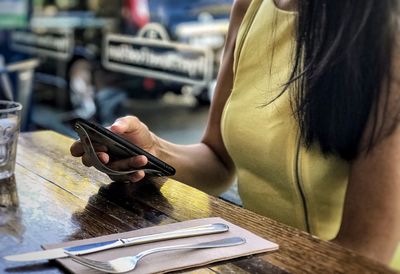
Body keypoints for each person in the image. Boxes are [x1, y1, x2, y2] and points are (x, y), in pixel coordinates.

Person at [71, 0, 400, 267]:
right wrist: (150, 151)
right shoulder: (252, 7)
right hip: (249, 257)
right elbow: (217, 161)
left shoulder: (385, 28)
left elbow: (363, 257)